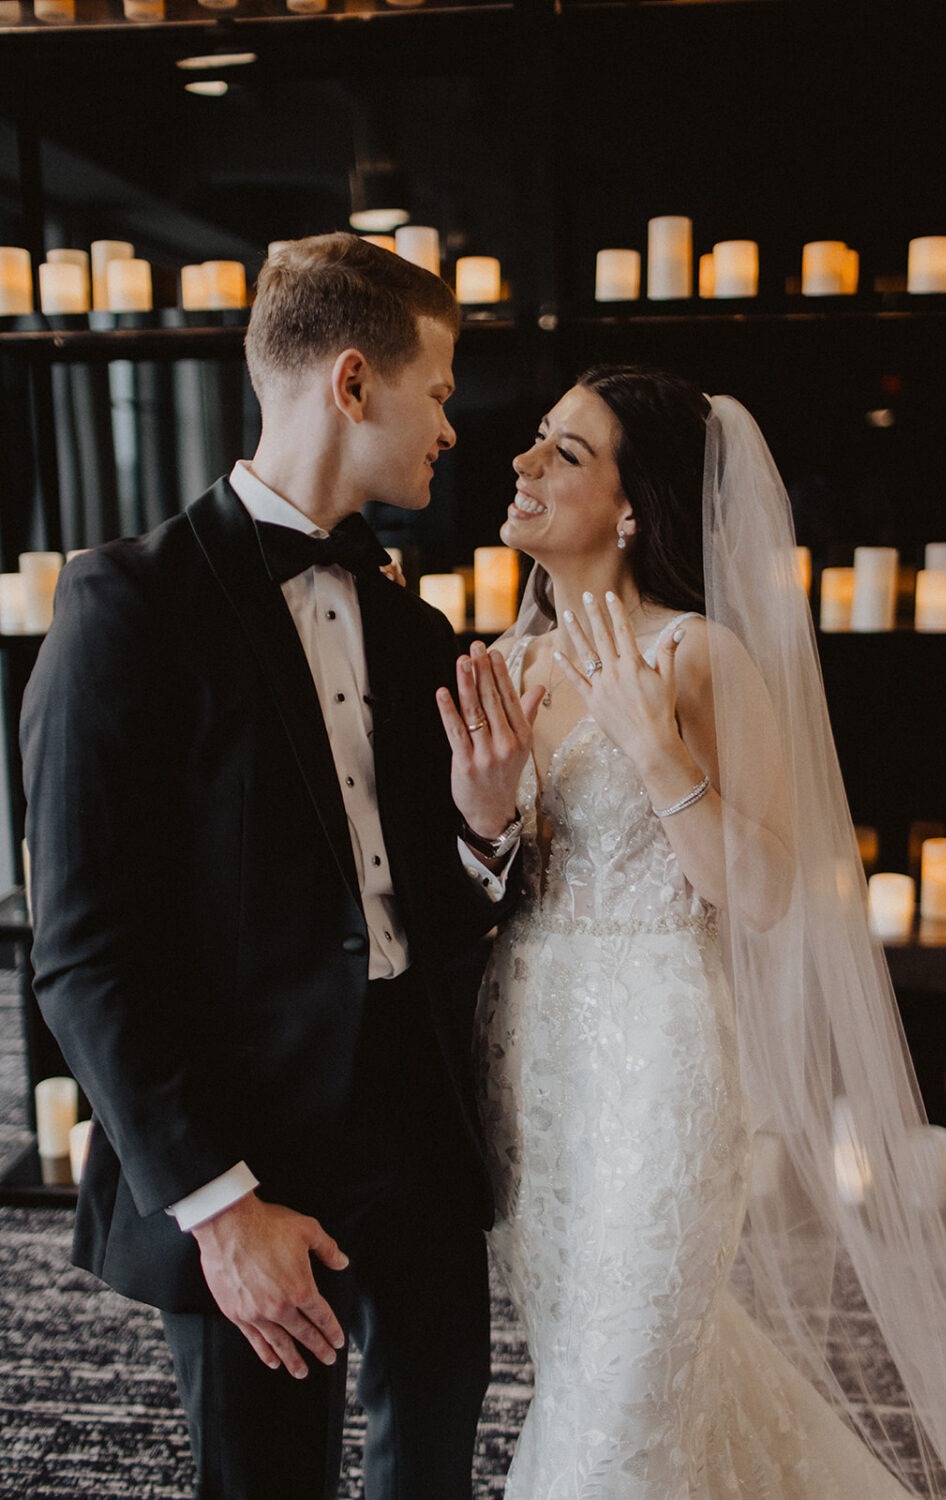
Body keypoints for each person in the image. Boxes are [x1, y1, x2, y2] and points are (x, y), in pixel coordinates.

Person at [20, 232, 542, 1500]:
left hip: (414, 1124)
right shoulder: (124, 607)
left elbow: (446, 903)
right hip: (237, 1137)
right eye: (441, 389)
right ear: (353, 384)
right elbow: (85, 953)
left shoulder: (415, 628)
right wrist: (219, 1208)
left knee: (430, 1469)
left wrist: (483, 829)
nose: (454, 429)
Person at [438, 366, 946, 1498]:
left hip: (665, 1062)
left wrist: (657, 755)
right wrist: (482, 820)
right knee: (595, 1370)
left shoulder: (699, 655)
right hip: (533, 1062)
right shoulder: (509, 663)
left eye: (565, 452)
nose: (522, 463)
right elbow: (480, 889)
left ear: (634, 506)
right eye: (534, 441)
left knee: (621, 1394)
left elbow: (767, 895)